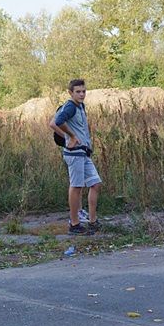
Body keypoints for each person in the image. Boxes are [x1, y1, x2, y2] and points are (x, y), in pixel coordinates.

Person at [49, 79, 102, 235]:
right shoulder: (70, 106)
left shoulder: (80, 106)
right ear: (70, 93)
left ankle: (92, 221)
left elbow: (54, 123)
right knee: (76, 186)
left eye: (83, 91)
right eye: (78, 91)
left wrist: (69, 137)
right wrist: (70, 136)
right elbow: (57, 122)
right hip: (75, 154)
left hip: (84, 152)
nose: (81, 94)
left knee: (96, 184)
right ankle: (74, 224)